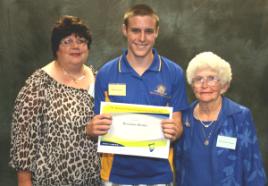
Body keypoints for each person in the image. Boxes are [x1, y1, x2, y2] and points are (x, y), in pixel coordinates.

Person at [86, 4, 188, 186]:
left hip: (159, 175)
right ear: (125, 30)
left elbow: (178, 126)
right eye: (135, 30)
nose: (142, 38)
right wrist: (92, 129)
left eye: (148, 31)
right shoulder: (106, 73)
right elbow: (97, 127)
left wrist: (175, 130)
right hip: (114, 175)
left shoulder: (174, 73)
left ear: (157, 32)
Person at [9, 15, 101, 186]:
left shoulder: (100, 79)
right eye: (67, 41)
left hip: (93, 180)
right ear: (56, 48)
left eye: (81, 41)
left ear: (88, 46)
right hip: (50, 180)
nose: (75, 46)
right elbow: (23, 146)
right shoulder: (38, 84)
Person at [174, 51, 267, 186]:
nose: (204, 85)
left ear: (224, 85)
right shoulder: (184, 117)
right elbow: (177, 165)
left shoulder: (239, 116)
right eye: (198, 79)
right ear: (192, 85)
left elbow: (253, 168)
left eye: (212, 78)